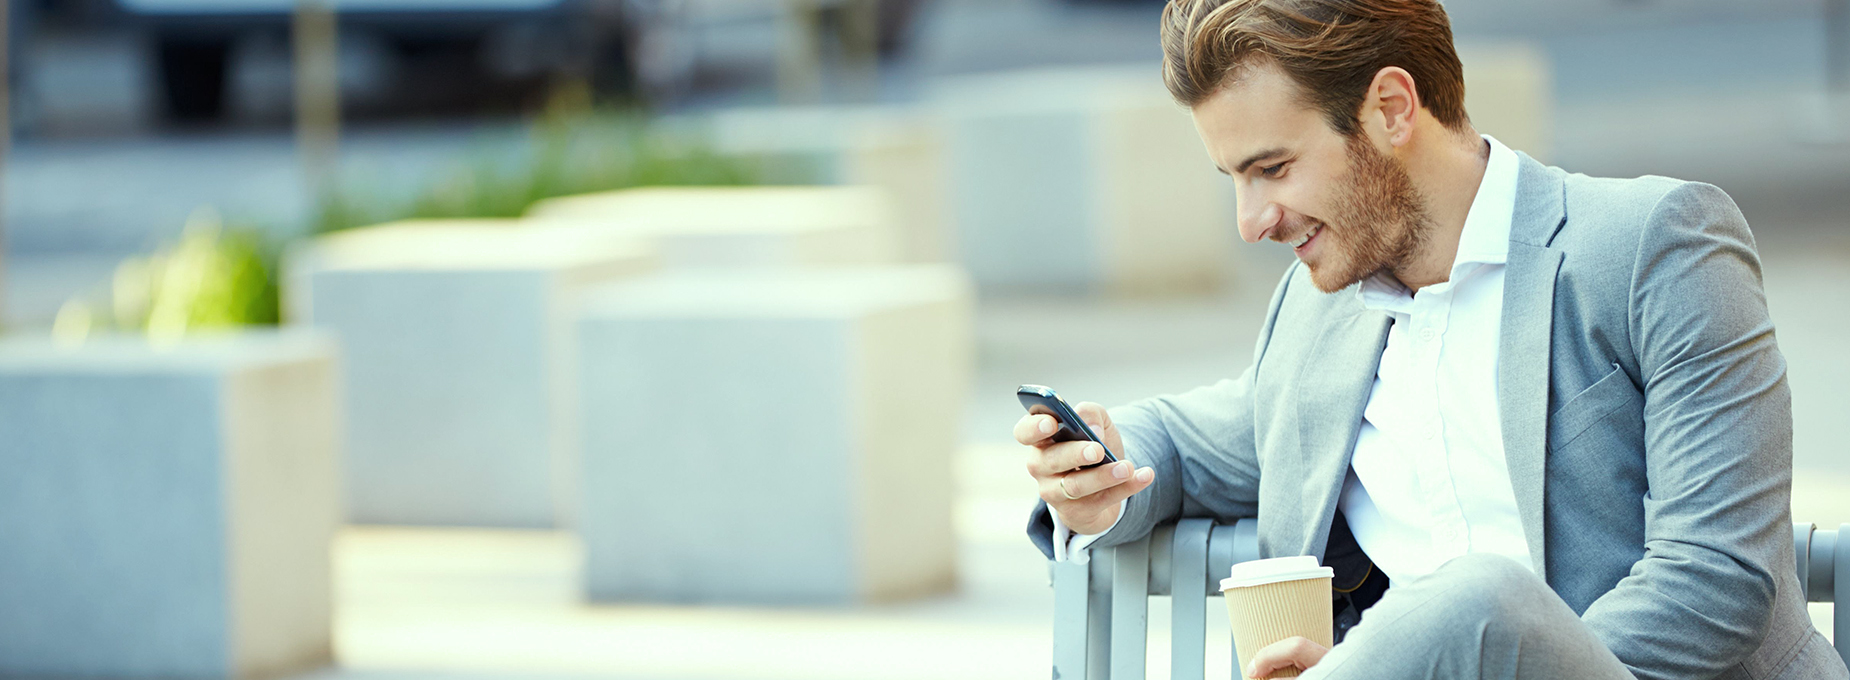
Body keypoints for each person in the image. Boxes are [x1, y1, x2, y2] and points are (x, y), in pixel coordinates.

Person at [1013, 1, 1850, 678]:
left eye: (1272, 169)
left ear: (1390, 108)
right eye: (1234, 180)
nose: (1250, 222)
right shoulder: (1319, 315)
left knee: (1480, 598)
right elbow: (1198, 446)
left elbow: (1715, 580)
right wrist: (1099, 468)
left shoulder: (1654, 247)